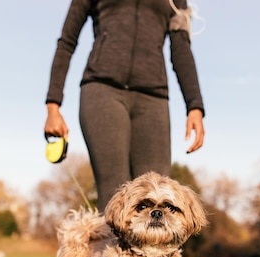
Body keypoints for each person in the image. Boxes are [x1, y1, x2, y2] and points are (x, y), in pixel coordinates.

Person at [44, 0, 206, 211]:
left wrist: (194, 105)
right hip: (102, 91)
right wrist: (53, 105)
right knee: (115, 192)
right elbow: (67, 41)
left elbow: (181, 49)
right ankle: (110, 244)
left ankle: (150, 246)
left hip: (153, 98)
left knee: (154, 192)